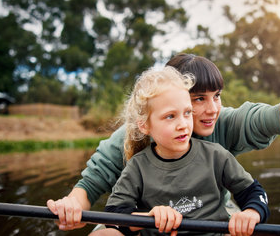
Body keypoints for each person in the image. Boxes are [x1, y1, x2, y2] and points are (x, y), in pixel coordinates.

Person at [47, 53, 280, 231]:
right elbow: (89, 187)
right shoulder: (130, 138)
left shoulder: (222, 123)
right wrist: (72, 207)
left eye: (216, 96)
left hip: (212, 220)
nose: (212, 109)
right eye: (198, 99)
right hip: (151, 224)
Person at [92, 66, 269, 236]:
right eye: (170, 116)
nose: (183, 124)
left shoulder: (217, 156)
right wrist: (149, 217)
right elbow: (114, 214)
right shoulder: (137, 166)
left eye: (187, 113)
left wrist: (252, 213)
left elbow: (254, 193)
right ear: (145, 125)